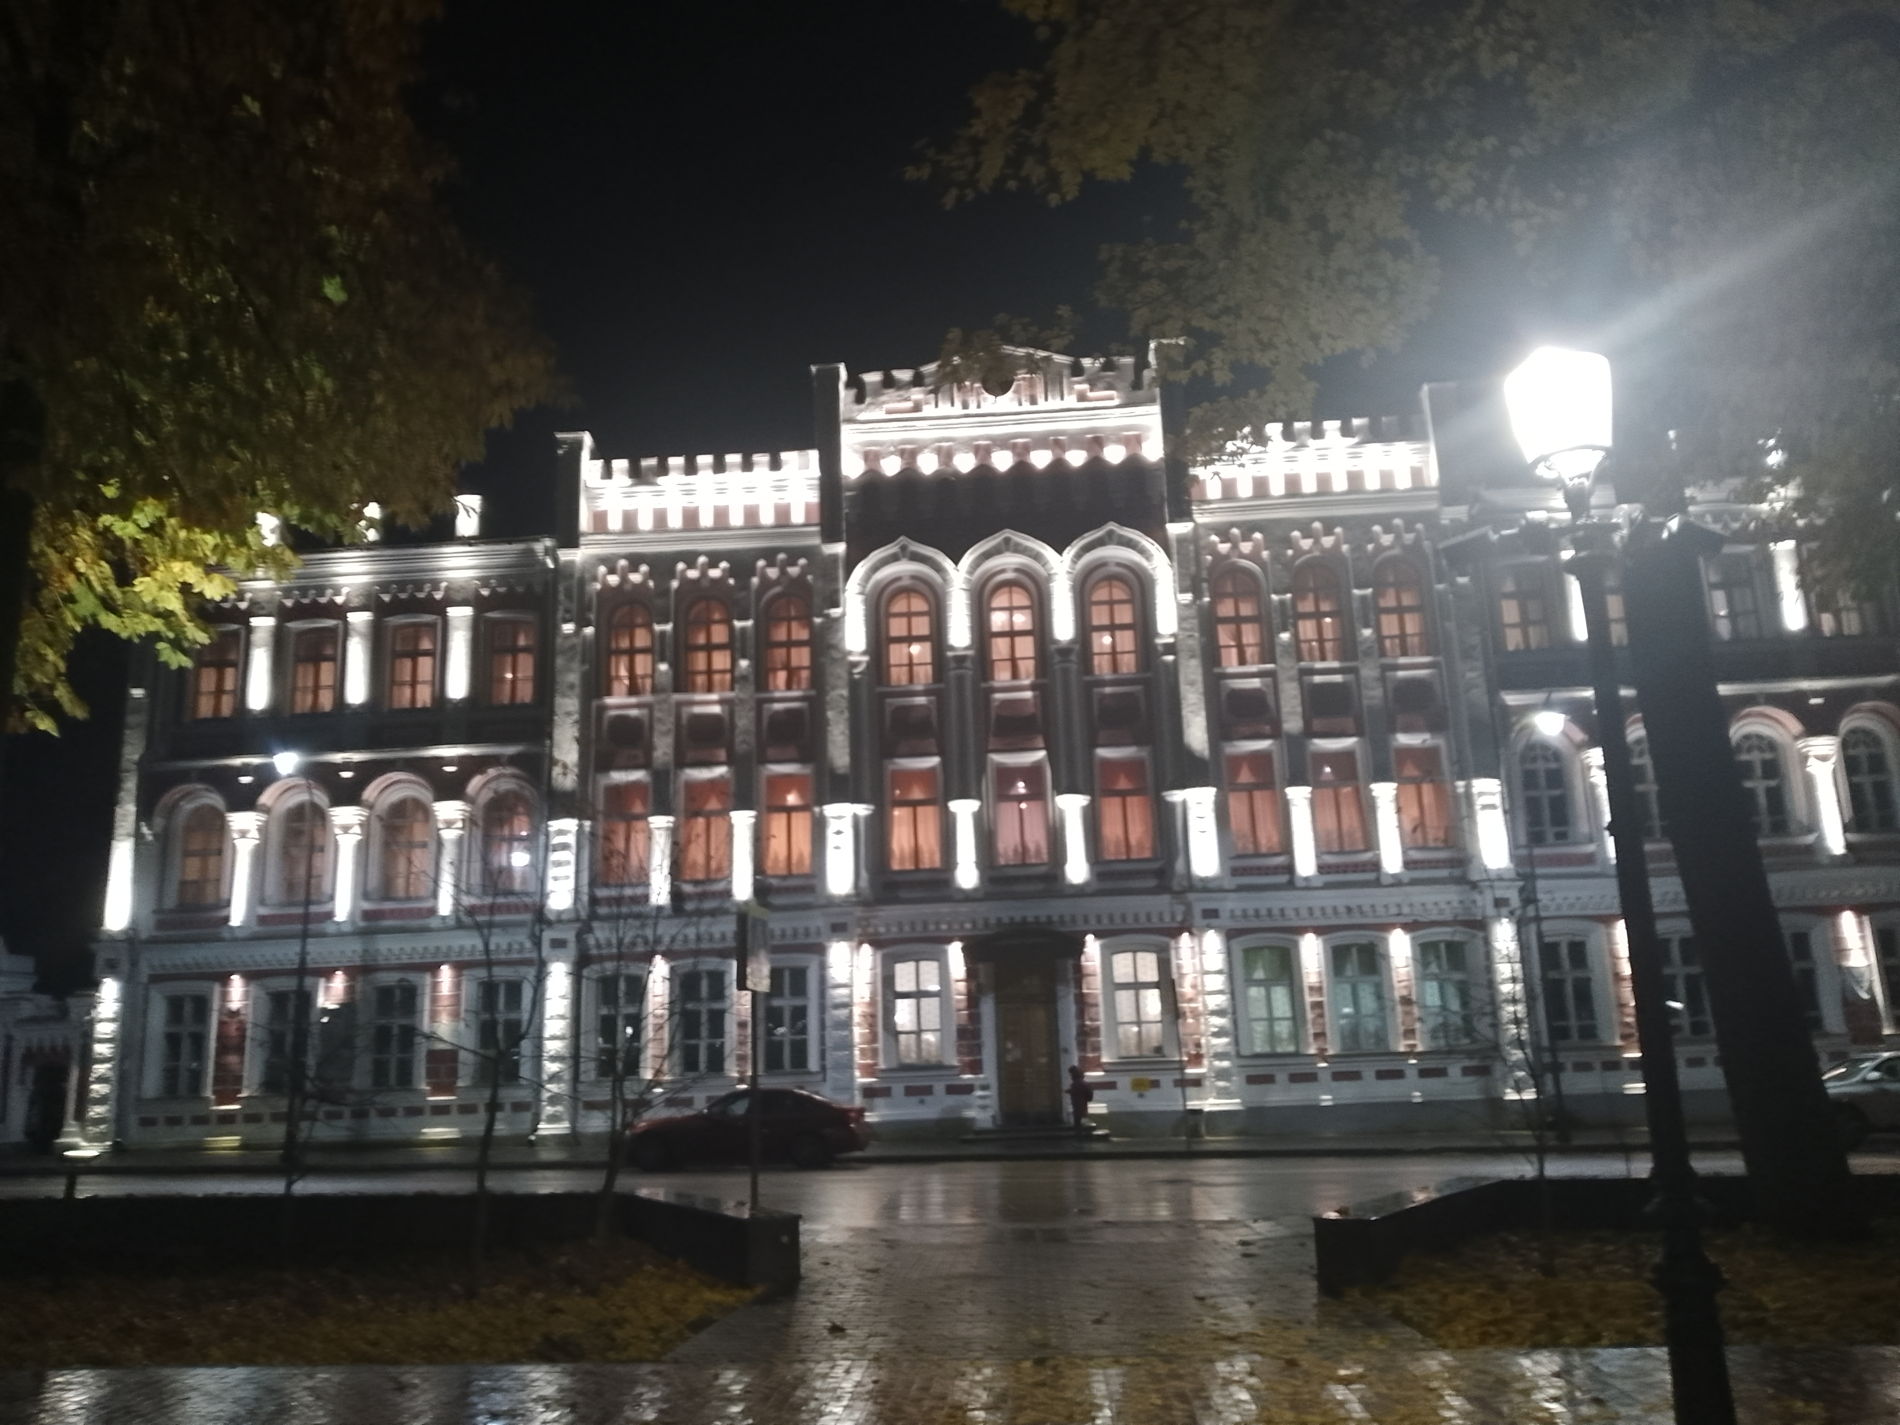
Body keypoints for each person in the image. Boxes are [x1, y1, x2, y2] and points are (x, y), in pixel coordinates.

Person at [1066, 1064, 1093, 1134]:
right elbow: (1089, 1095)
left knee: (1078, 1122)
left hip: (1077, 1105)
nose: (1070, 1076)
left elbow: (1074, 1092)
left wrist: (1068, 1091)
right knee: (1082, 1121)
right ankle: (1082, 1134)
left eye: (1071, 1075)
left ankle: (1079, 1135)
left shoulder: (1075, 1084)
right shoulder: (1085, 1084)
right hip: (1083, 1105)